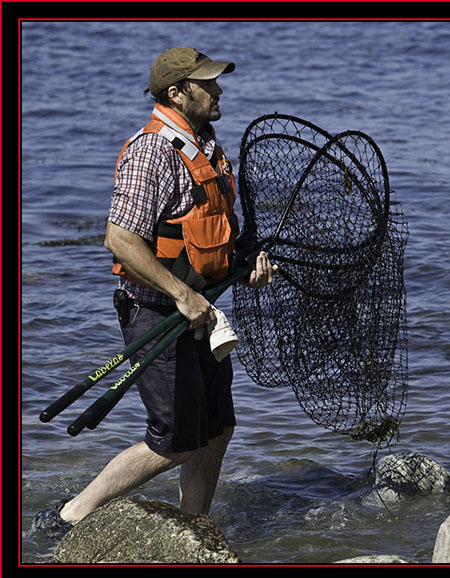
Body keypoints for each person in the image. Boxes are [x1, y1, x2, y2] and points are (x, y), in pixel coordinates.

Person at [35, 47, 277, 537]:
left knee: (217, 426)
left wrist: (247, 260)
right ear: (176, 92)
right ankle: (71, 514)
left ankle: (194, 527)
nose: (219, 90)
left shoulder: (206, 143)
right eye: (207, 84)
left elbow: (214, 229)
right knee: (175, 440)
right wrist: (181, 295)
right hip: (154, 309)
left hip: (199, 310)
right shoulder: (151, 151)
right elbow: (119, 238)